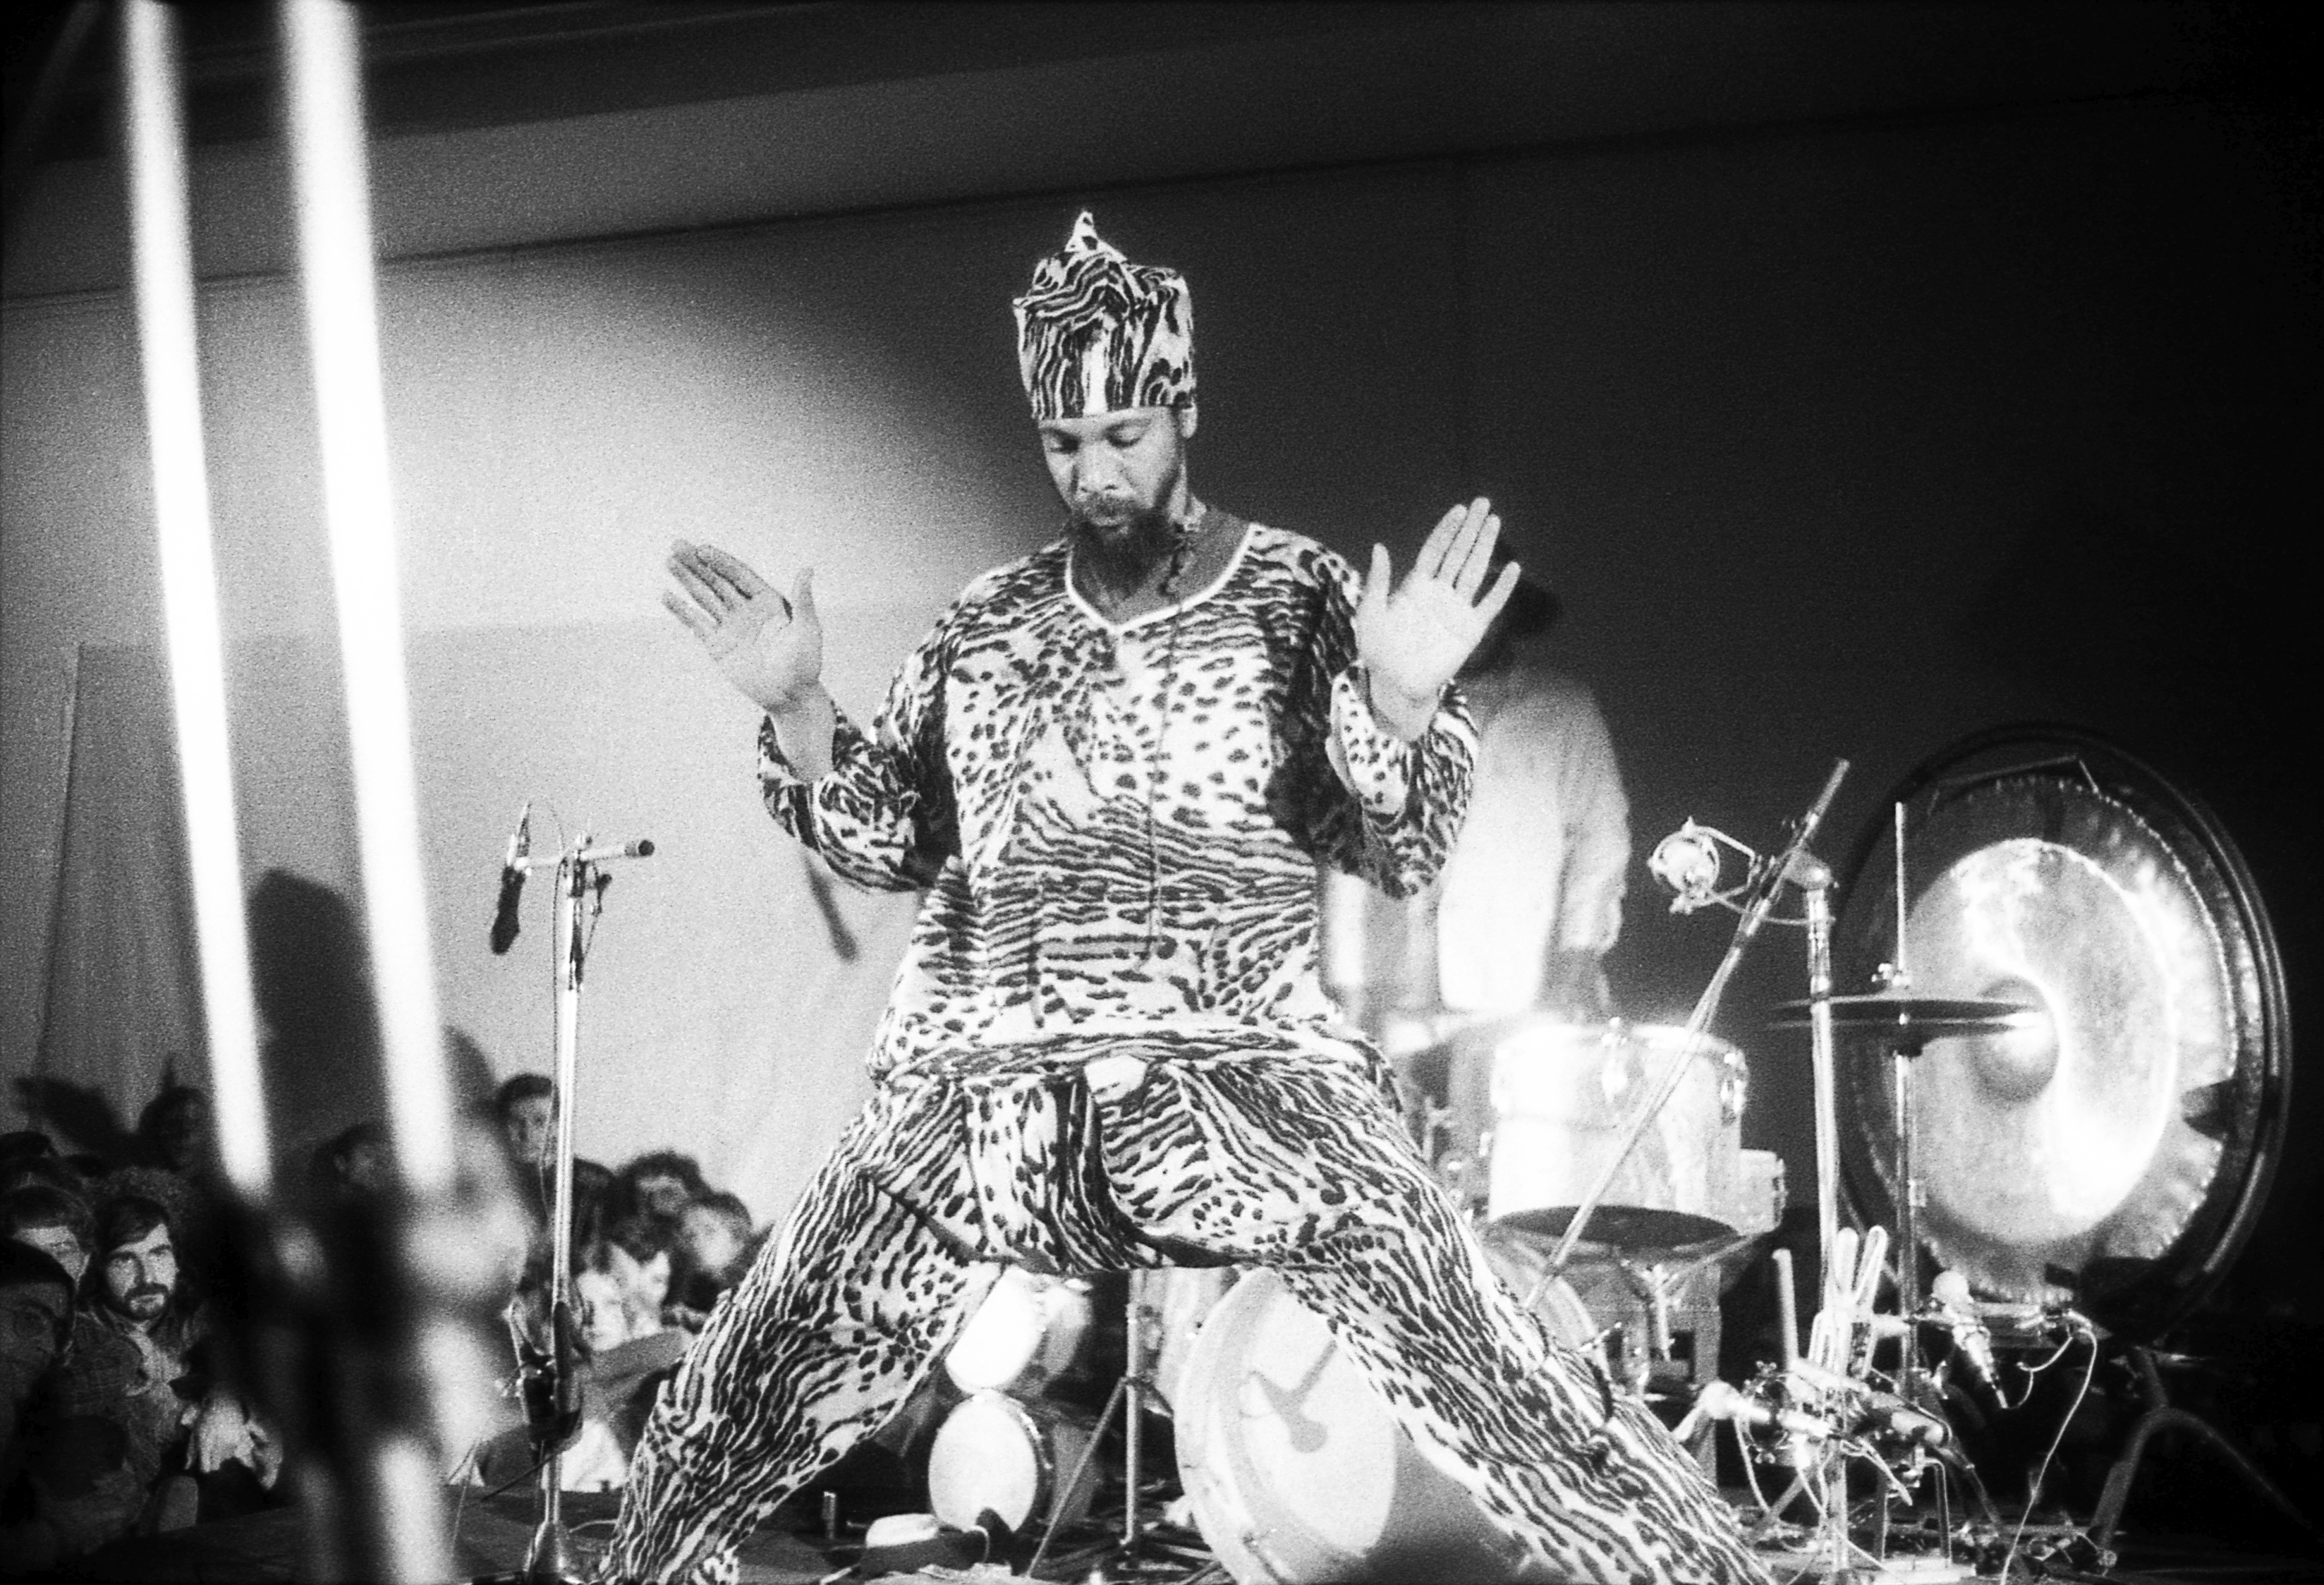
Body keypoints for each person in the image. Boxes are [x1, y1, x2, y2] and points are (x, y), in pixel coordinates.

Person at [609, 212, 1764, 1584]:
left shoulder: (1295, 598)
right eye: (1064, 440)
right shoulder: (988, 622)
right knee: (756, 1375)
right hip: (986, 1078)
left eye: (1125, 432)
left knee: (1493, 1366)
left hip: (1242, 1077)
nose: (1096, 470)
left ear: (1184, 409)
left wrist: (1398, 701)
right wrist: (801, 706)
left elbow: (1402, 834)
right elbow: (882, 833)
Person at [1322, 548, 1631, 1058]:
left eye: (1482, 603)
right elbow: (1344, 854)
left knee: (1510, 1135)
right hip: (1398, 994)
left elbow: (1601, 844)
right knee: (1396, 1131)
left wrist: (1575, 961)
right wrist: (1348, 984)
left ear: (1506, 612)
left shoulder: (1563, 709)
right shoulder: (1377, 709)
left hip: (1519, 991)